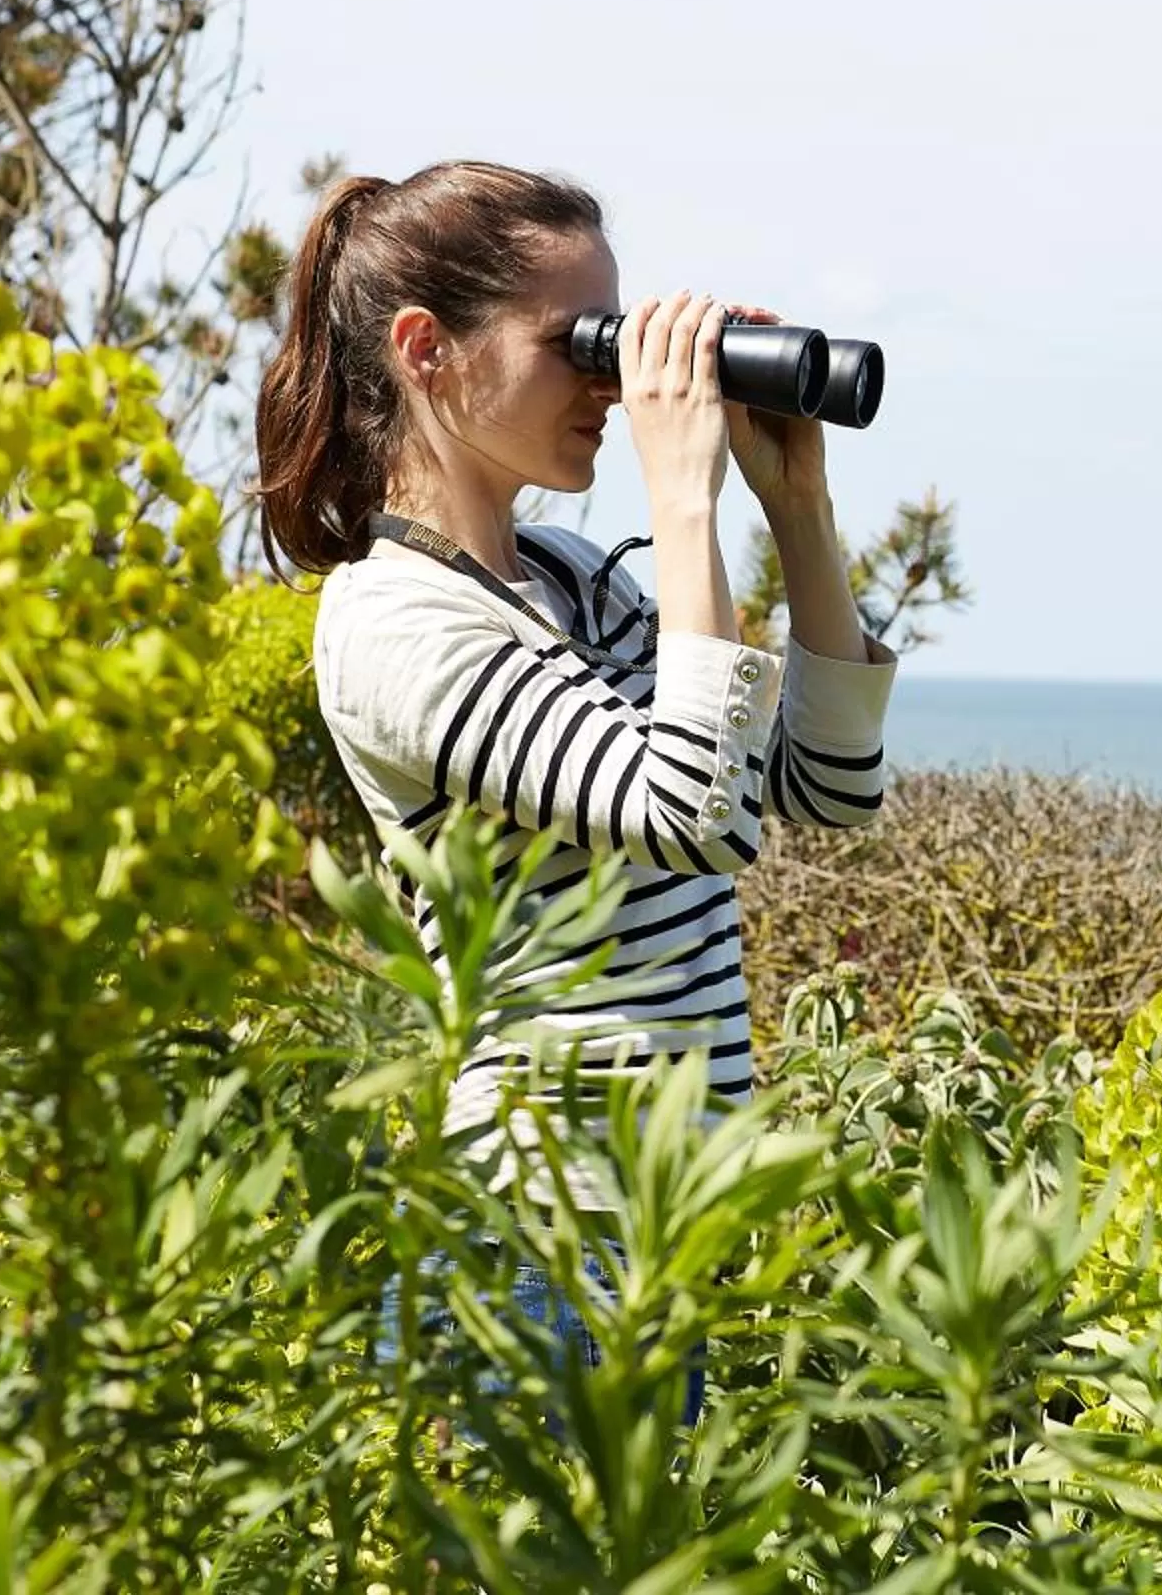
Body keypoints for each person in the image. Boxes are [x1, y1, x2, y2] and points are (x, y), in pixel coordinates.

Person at [247, 162, 898, 1408]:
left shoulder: (568, 577)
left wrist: (795, 500)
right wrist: (683, 496)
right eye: (575, 345)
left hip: (653, 1235)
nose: (610, 384)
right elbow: (691, 816)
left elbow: (828, 785)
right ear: (427, 350)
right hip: (533, 1239)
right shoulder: (394, 624)